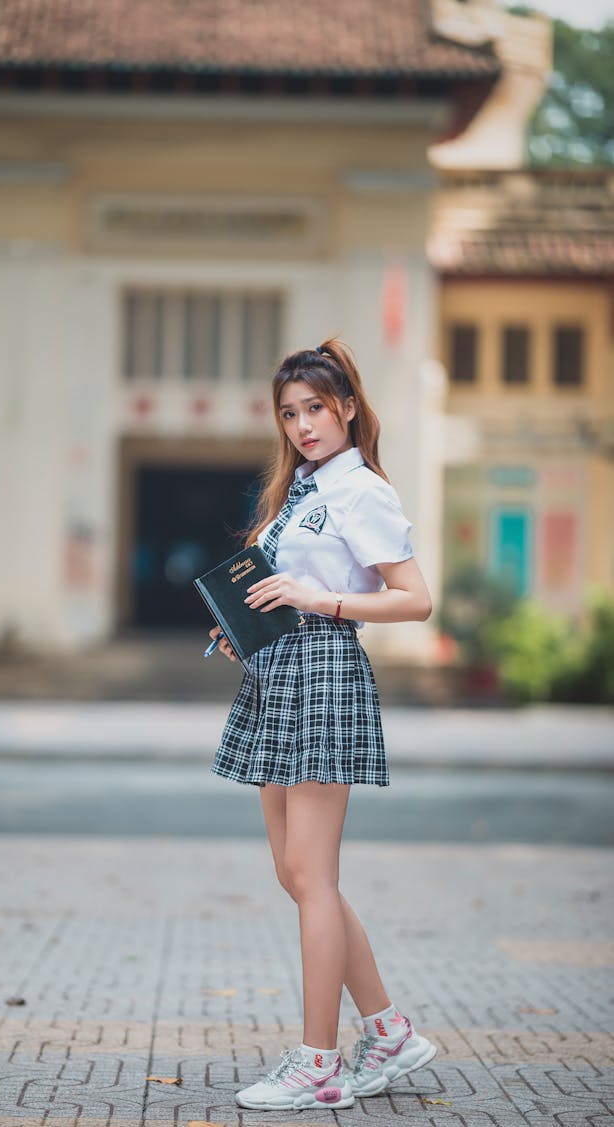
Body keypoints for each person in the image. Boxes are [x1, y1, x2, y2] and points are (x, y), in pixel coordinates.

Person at [207, 339, 437, 1111]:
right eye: (288, 412)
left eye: (313, 408)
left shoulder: (360, 489)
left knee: (315, 878)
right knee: (297, 874)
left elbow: (414, 598)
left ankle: (320, 1063)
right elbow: (283, 584)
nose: (302, 424)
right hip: (276, 668)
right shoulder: (303, 488)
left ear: (345, 406)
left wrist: (317, 599)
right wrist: (241, 620)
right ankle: (391, 1030)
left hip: (324, 671)